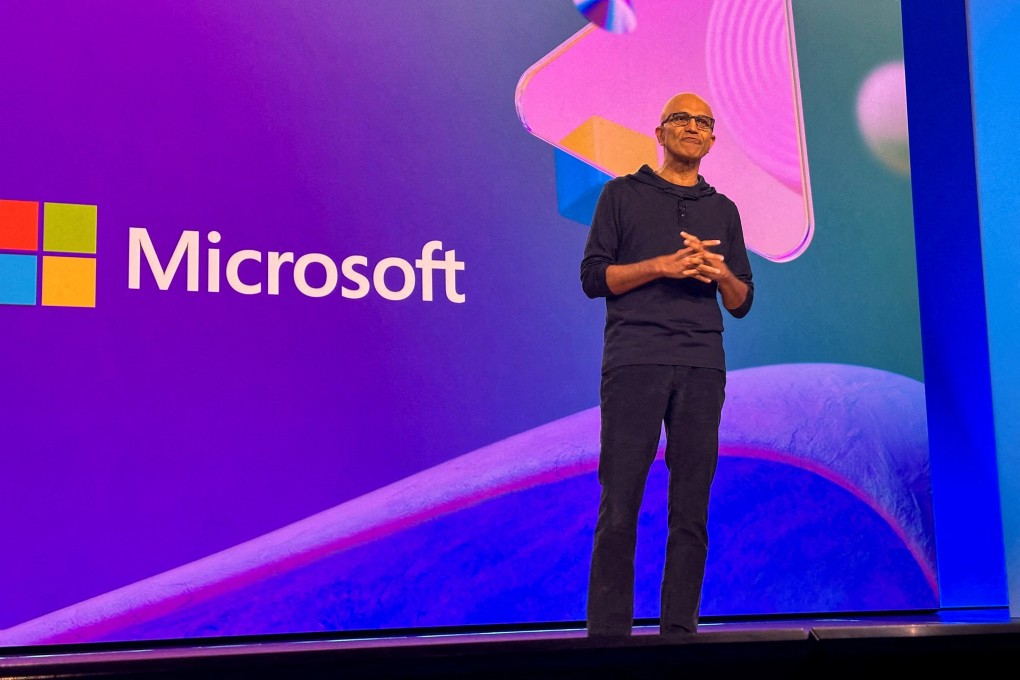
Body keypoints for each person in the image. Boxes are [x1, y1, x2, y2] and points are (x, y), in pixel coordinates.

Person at [580, 92, 754, 638]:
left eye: (704, 123)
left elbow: (742, 300)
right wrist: (663, 265)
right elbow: (593, 278)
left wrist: (717, 271)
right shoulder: (621, 195)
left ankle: (680, 634)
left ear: (711, 140)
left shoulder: (723, 209)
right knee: (621, 502)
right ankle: (609, 639)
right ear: (660, 131)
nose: (693, 128)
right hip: (635, 361)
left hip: (703, 366)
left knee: (692, 508)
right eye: (682, 119)